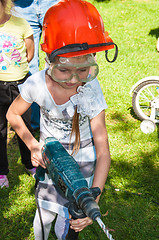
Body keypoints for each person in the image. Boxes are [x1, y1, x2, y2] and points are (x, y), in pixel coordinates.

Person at [7, 0, 118, 238]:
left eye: (84, 69)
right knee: (44, 216)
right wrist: (32, 145)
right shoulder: (36, 84)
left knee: (69, 221)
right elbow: (12, 114)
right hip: (51, 162)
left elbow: (103, 151)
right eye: (64, 70)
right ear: (49, 59)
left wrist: (93, 197)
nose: (73, 79)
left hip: (84, 163)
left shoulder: (91, 88)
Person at [0, 0, 36, 188]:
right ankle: (1, 172)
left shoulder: (20, 24)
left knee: (25, 126)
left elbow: (30, 54)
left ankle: (30, 163)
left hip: (20, 87)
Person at [13, 0, 59, 130]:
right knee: (26, 67)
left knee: (58, 63)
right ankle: (31, 122)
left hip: (53, 3)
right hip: (21, 5)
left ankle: (58, 118)